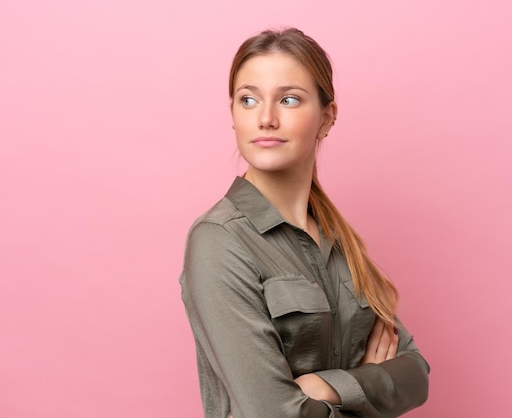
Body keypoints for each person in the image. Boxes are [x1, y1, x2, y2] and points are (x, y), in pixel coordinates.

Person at [180, 27, 429, 418]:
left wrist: (324, 386)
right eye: (248, 100)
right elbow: (273, 413)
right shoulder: (219, 241)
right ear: (233, 116)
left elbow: (416, 374)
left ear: (327, 118)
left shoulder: (338, 239)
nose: (265, 118)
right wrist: (368, 383)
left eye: (289, 99)